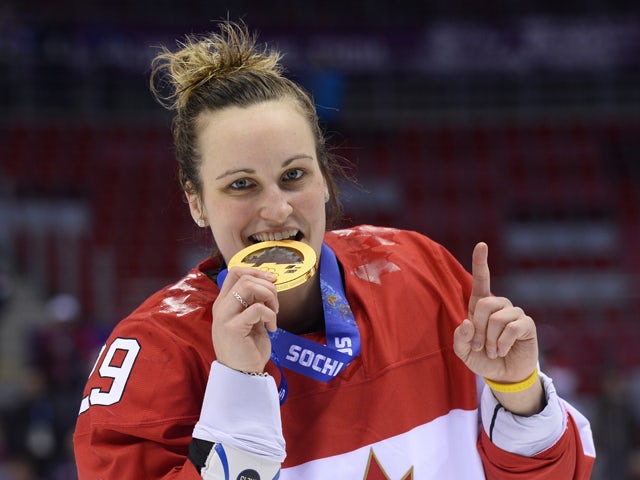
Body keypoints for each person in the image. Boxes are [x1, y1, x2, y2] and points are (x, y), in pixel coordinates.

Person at [73, 21, 595, 479]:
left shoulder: (419, 274)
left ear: (324, 179)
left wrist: (520, 393)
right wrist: (235, 385)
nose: (276, 209)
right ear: (196, 201)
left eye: (293, 175)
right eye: (240, 185)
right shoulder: (151, 357)